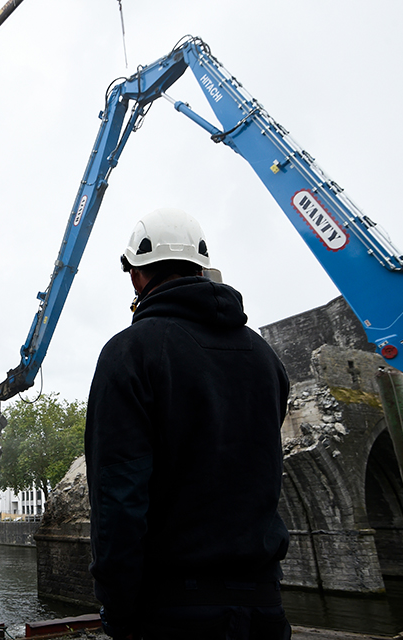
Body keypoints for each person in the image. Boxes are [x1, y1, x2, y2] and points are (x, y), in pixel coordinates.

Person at [85, 208, 292, 640]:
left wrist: (118, 607)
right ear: (202, 268)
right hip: (265, 609)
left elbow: (119, 495)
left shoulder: (130, 352)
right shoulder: (264, 357)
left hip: (173, 612)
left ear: (136, 276)